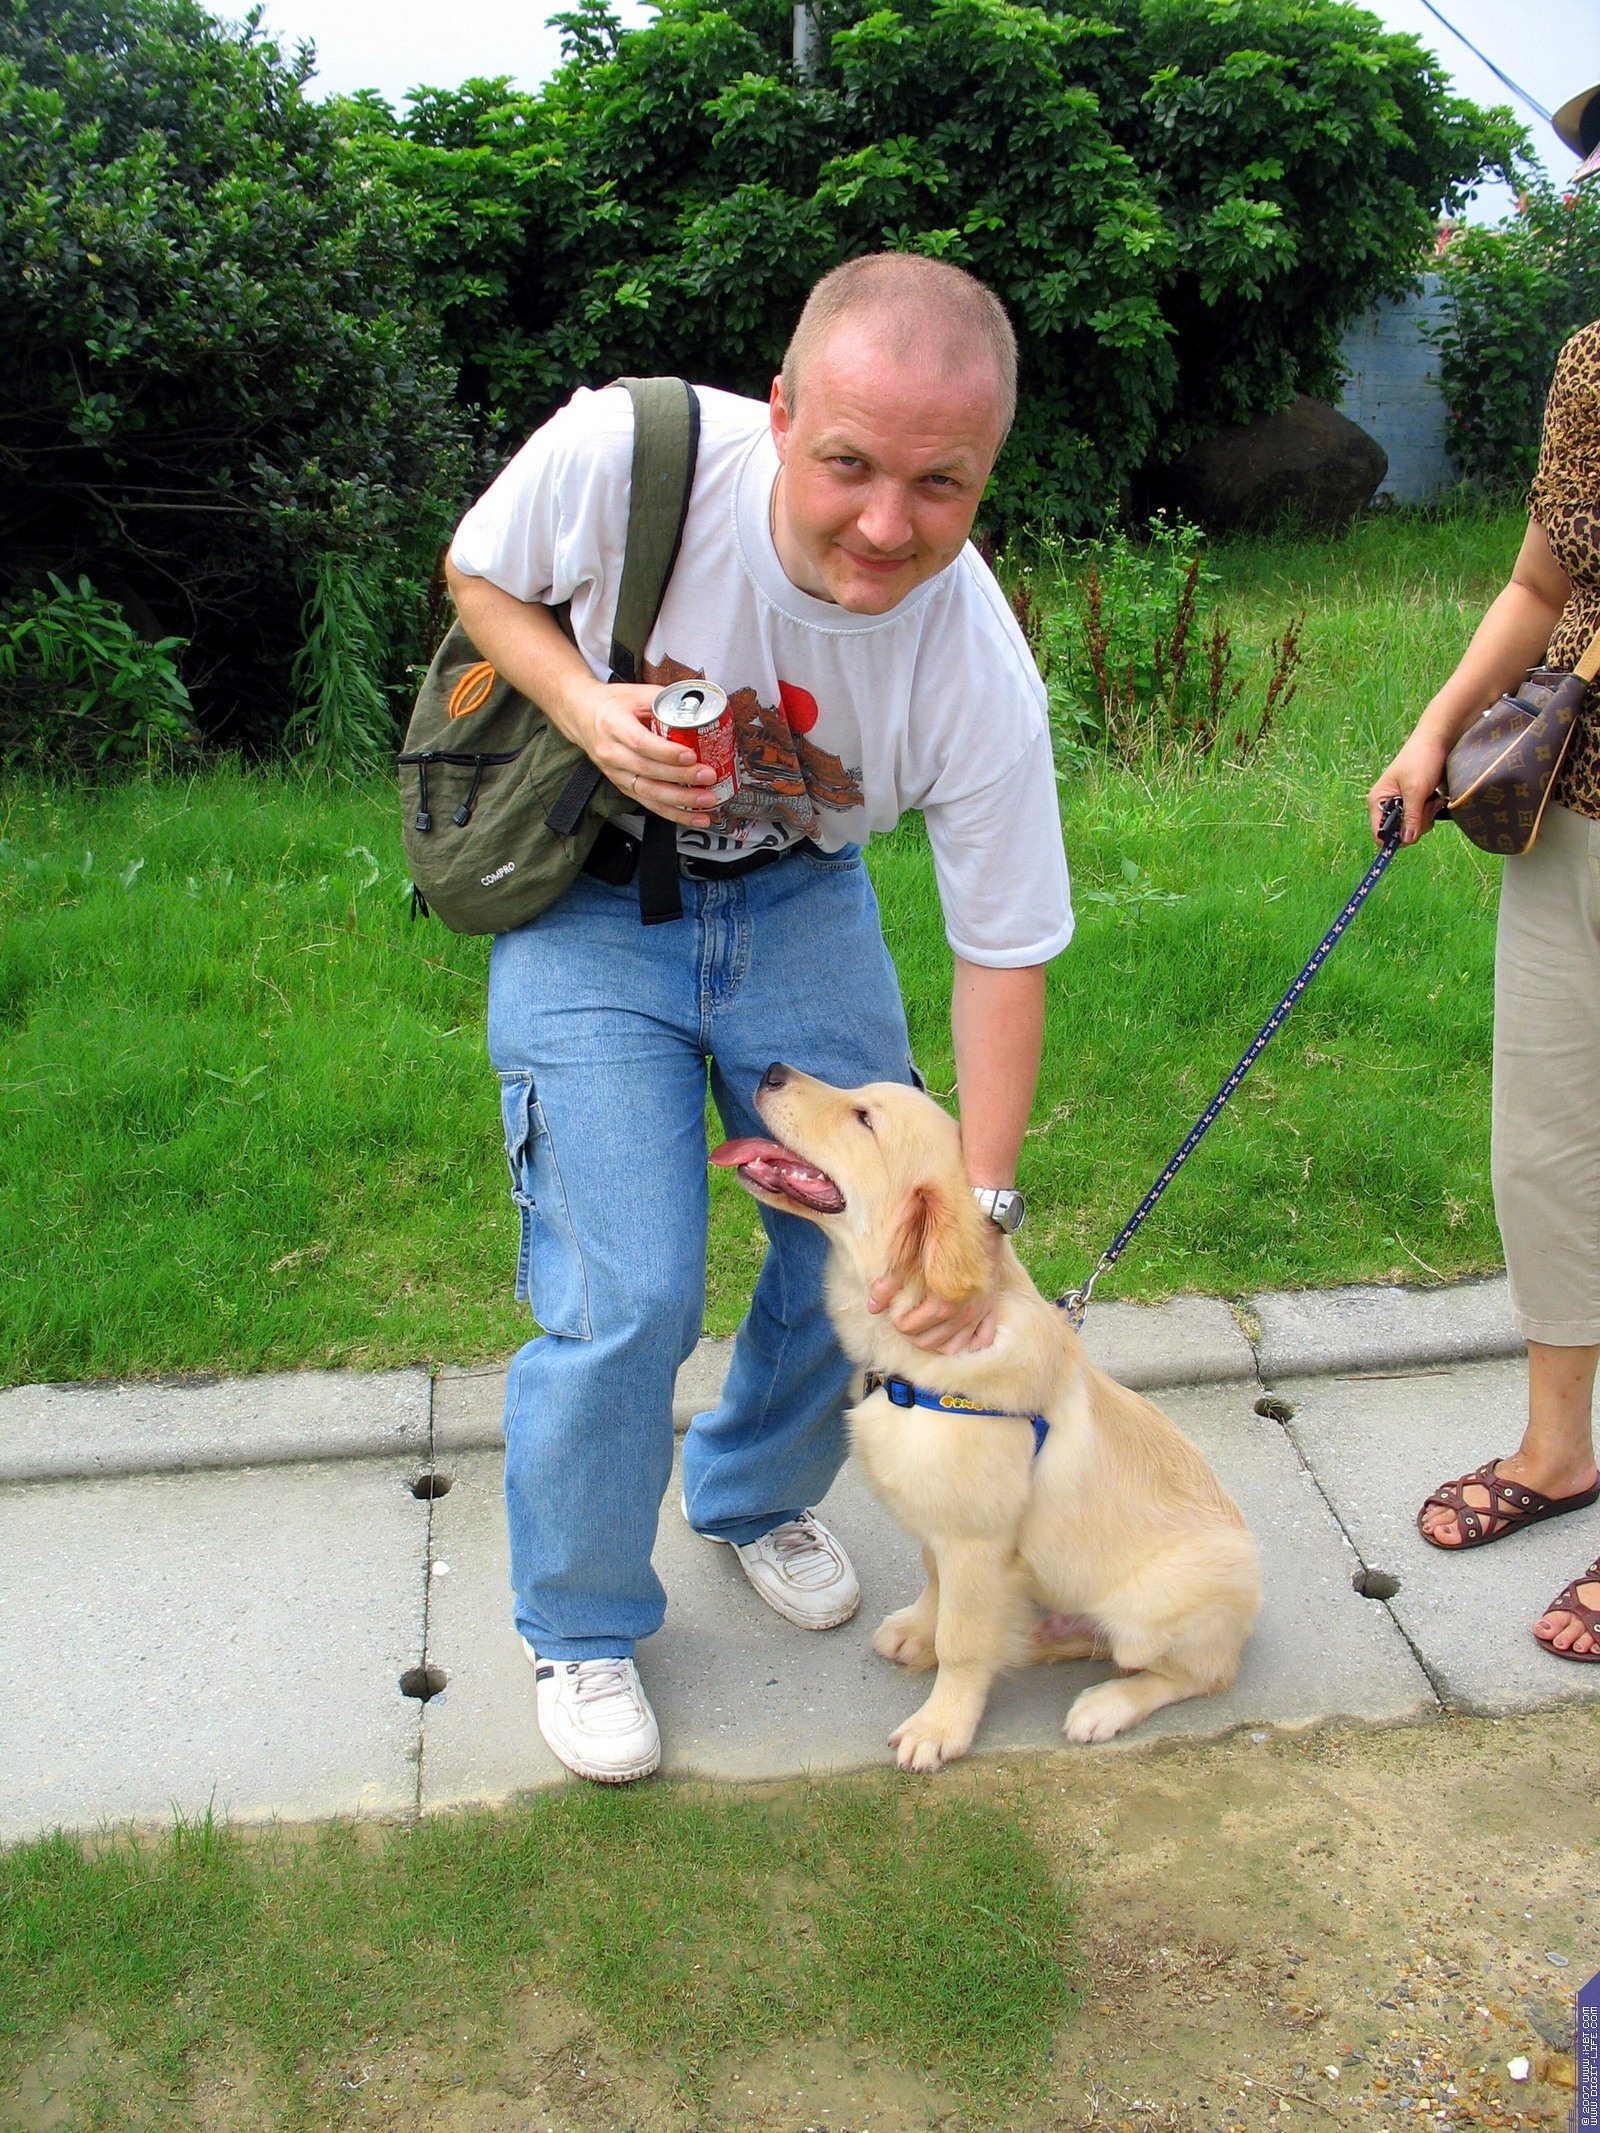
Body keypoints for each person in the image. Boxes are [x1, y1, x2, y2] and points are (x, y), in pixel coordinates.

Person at [444, 254, 1074, 1782]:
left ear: (987, 471)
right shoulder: (627, 454)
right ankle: (582, 1618)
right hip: (588, 900)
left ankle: (748, 1491)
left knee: (874, 1250)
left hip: (801, 901)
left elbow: (1003, 950)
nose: (887, 525)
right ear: (783, 413)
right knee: (631, 1287)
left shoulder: (974, 658)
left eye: (941, 483)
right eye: (849, 462)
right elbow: (481, 577)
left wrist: (981, 1205)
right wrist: (585, 707)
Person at [1367, 312, 1600, 1666]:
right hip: (1576, 814)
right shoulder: (1594, 365)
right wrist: (1435, 730)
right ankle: (1560, 1450)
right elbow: (1538, 581)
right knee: (1546, 1152)